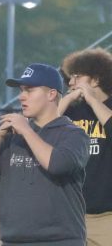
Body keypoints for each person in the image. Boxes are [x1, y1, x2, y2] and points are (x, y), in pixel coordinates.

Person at [0, 63, 89, 246]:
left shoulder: (73, 134)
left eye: (29, 90)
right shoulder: (13, 135)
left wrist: (27, 131)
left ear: (51, 94)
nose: (21, 97)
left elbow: (57, 164)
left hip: (59, 241)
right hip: (13, 240)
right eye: (21, 90)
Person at [60, 49, 112, 244]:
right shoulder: (70, 111)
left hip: (107, 217)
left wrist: (92, 100)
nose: (71, 82)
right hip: (72, 216)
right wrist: (65, 101)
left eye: (77, 77)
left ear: (96, 80)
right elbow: (42, 131)